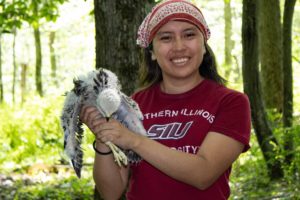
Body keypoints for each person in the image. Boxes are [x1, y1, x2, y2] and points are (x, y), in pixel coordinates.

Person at [80, 0, 251, 199]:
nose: (179, 46)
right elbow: (111, 192)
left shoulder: (231, 102)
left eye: (189, 35)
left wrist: (134, 140)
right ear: (152, 52)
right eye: (166, 38)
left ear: (203, 46)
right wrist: (104, 136)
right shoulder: (134, 104)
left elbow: (203, 174)